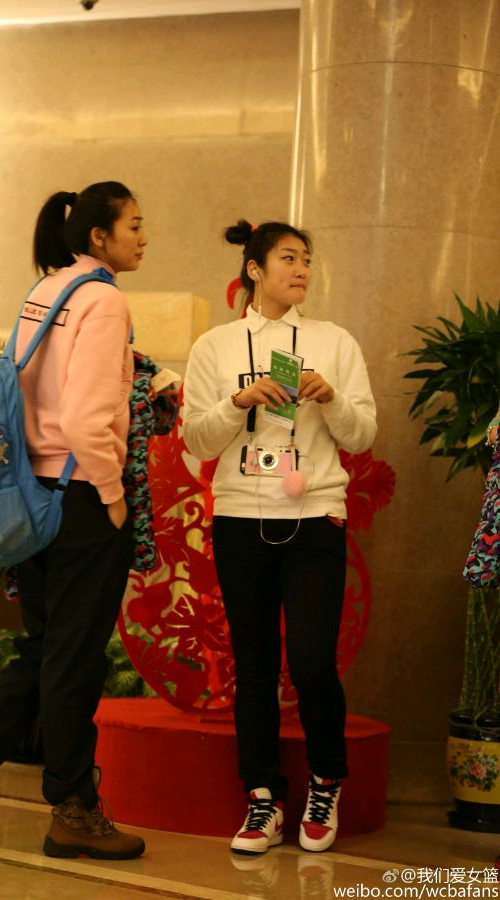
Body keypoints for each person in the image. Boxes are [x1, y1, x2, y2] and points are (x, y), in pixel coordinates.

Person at [0, 181, 148, 860]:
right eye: (133, 224)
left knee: (45, 649)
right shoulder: (104, 300)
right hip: (81, 496)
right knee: (73, 659)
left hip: (29, 493)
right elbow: (83, 417)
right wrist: (112, 494)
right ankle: (74, 810)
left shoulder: (47, 290)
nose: (143, 237)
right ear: (99, 236)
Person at [182, 219, 377, 854]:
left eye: (307, 260)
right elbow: (196, 440)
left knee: (314, 660)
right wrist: (238, 403)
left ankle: (326, 781)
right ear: (255, 270)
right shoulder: (215, 346)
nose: (301, 270)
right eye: (288, 259)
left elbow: (362, 435)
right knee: (255, 664)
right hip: (241, 515)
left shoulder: (334, 341)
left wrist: (331, 399)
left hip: (315, 513)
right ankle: (261, 798)